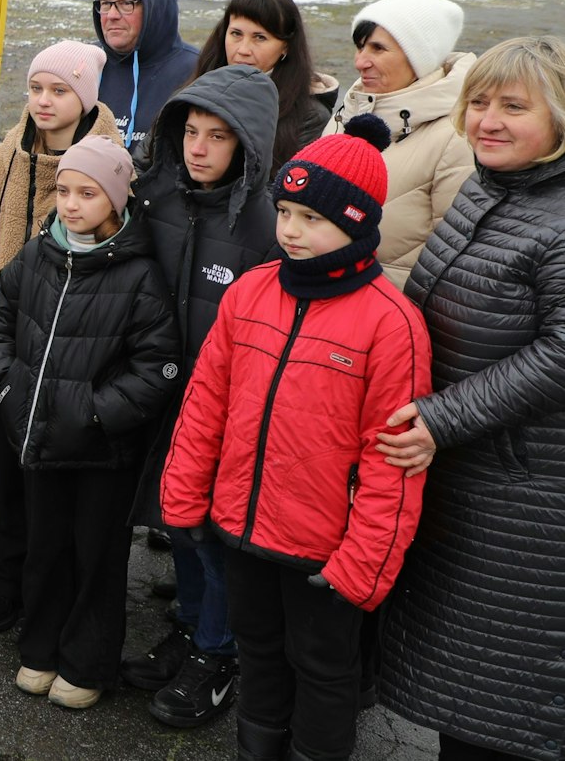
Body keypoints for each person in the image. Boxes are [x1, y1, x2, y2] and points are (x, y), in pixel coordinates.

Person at [163, 115, 431, 761]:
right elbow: (205, 404)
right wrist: (186, 500)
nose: (289, 230)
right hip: (242, 530)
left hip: (326, 556)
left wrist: (360, 567)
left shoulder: (392, 324)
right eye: (284, 211)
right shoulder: (252, 292)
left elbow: (392, 462)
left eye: (311, 218)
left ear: (359, 222)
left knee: (323, 672)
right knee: (258, 657)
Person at [377, 36, 565, 761]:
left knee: (509, 704)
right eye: (479, 102)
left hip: (526, 496)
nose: (488, 120)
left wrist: (440, 418)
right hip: (473, 477)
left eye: (514, 106)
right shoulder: (491, 187)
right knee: (471, 690)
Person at [0, 135, 182, 710]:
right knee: (45, 547)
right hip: (39, 437)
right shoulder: (38, 254)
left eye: (87, 193)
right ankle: (40, 649)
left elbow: (157, 367)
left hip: (100, 450)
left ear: (115, 199)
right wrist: (9, 386)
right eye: (64, 191)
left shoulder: (139, 274)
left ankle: (87, 662)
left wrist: (95, 412)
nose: (71, 204)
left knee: (95, 556)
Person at [123, 63, 282, 728]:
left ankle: (219, 653)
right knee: (178, 521)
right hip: (163, 394)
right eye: (191, 131)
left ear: (245, 145)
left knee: (215, 537)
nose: (199, 148)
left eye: (219, 137)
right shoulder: (159, 196)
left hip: (226, 410)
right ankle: (190, 629)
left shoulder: (262, 223)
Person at [0, 40, 122, 636]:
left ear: (86, 98)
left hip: (78, 371)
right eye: (37, 89)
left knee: (65, 498)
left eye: (60, 91)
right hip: (11, 366)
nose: (45, 102)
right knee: (9, 485)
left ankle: (58, 600)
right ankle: (9, 581)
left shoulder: (110, 170)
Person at [325, 0, 476, 290]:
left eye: (378, 48)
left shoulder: (456, 136)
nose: (359, 62)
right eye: (360, 47)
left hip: (390, 312)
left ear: (420, 57)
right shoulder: (350, 109)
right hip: (321, 294)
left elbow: (454, 255)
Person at [190, 0, 337, 174]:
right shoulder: (195, 91)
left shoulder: (308, 117)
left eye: (259, 37)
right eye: (236, 34)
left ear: (286, 46)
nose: (243, 49)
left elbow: (288, 192)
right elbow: (151, 160)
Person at [91, 0, 199, 151]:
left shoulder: (196, 71)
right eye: (106, 3)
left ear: (155, 7)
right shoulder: (86, 62)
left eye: (126, 3)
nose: (112, 15)